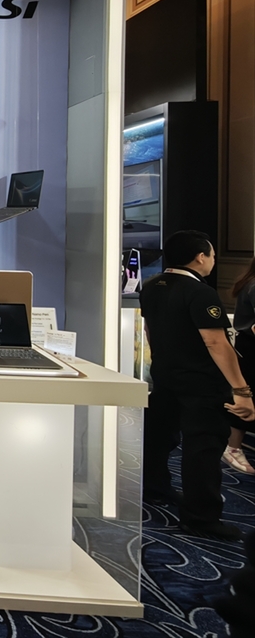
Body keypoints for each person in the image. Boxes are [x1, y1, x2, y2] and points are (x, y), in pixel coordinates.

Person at [140, 230, 254, 541]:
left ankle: (155, 489)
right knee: (203, 448)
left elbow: (149, 331)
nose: (213, 261)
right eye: (212, 255)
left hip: (165, 376)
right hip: (201, 384)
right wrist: (241, 390)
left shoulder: (152, 286)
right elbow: (216, 343)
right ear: (200, 257)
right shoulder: (200, 292)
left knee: (159, 438)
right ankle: (201, 518)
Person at [224, 256, 255, 474]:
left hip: (247, 348)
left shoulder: (249, 282)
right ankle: (232, 448)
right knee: (246, 398)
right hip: (251, 350)